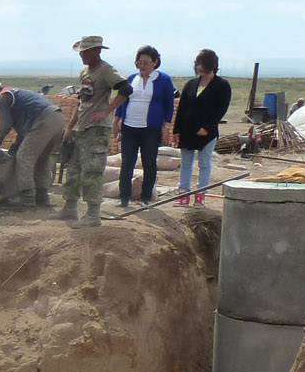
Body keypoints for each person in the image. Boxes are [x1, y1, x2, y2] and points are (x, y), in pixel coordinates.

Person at [60, 35, 132, 229]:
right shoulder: (85, 72)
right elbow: (81, 102)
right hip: (83, 128)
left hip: (97, 129)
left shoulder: (106, 70)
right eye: (81, 52)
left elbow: (126, 89)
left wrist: (106, 112)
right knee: (74, 168)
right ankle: (70, 207)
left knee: (92, 171)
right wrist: (70, 126)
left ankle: (93, 213)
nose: (82, 55)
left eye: (85, 51)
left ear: (96, 51)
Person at [0, 80, 66, 206]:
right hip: (57, 119)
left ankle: (27, 196)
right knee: (41, 159)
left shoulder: (2, 98)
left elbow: (6, 124)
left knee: (24, 157)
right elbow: (25, 131)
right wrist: (16, 144)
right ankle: (42, 196)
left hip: (44, 120)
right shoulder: (17, 95)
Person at [113, 45, 176, 208]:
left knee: (149, 162)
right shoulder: (132, 78)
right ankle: (124, 197)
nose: (142, 65)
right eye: (140, 62)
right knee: (127, 162)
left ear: (155, 62)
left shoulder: (164, 80)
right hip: (129, 126)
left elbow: (169, 104)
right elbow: (122, 100)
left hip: (151, 128)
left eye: (146, 62)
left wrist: (166, 126)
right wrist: (116, 121)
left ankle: (146, 197)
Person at [174, 49, 232, 207]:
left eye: (203, 64)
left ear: (212, 65)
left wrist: (207, 127)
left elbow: (221, 109)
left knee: (204, 163)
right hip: (187, 129)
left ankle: (200, 196)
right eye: (198, 63)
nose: (200, 67)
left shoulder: (222, 85)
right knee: (186, 163)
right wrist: (176, 130)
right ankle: (183, 194)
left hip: (208, 132)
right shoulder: (191, 83)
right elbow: (182, 107)